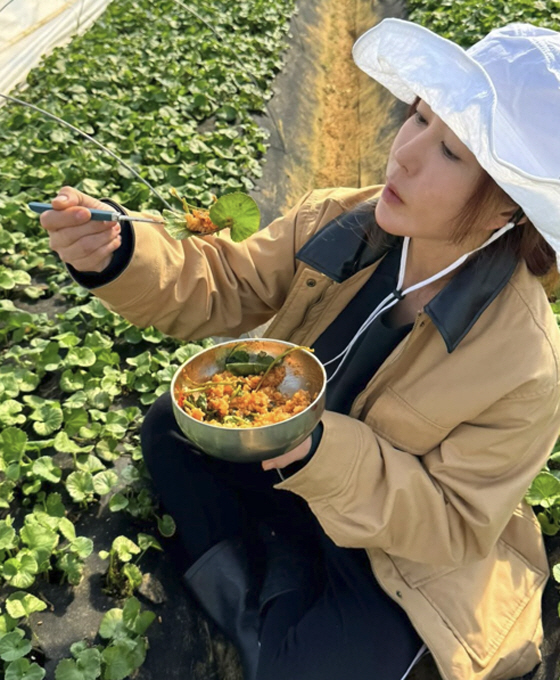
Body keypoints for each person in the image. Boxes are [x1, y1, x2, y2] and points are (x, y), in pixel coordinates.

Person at [39, 18, 560, 680]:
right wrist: (121, 256)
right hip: (292, 476)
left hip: (393, 555)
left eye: (452, 153)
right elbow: (222, 283)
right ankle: (276, 598)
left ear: (509, 209)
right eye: (419, 117)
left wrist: (323, 450)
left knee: (327, 662)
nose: (405, 153)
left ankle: (269, 606)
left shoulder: (525, 363)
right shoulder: (341, 223)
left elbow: (452, 525)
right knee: (172, 428)